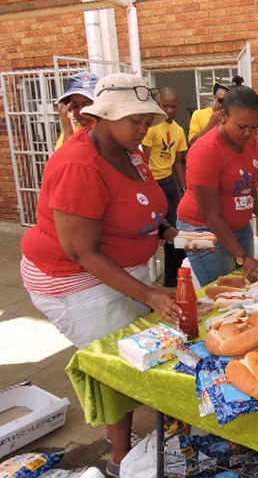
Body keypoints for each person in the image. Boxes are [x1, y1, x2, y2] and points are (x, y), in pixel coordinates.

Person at [20, 73, 185, 477]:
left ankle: (161, 428)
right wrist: (148, 294)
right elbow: (82, 251)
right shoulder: (78, 164)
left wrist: (167, 231)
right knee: (117, 357)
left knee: (144, 348)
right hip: (72, 278)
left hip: (121, 268)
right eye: (135, 121)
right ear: (105, 116)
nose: (144, 128)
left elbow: (142, 206)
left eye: (147, 120)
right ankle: (119, 457)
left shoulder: (132, 152)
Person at [177, 76, 258, 287]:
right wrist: (243, 257)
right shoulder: (206, 151)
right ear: (223, 116)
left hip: (239, 226)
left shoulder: (248, 141)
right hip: (204, 229)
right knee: (227, 289)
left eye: (254, 127)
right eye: (242, 126)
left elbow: (247, 181)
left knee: (248, 286)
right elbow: (212, 216)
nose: (248, 133)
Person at [142, 86, 188, 287]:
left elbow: (178, 162)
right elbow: (143, 160)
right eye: (165, 106)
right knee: (169, 232)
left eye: (173, 106)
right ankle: (173, 278)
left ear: (178, 106)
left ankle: (176, 276)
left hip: (170, 183)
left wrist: (185, 189)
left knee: (179, 228)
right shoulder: (152, 127)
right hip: (153, 184)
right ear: (159, 105)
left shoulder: (178, 130)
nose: (169, 110)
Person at [55, 72, 100, 150]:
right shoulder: (71, 133)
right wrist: (68, 129)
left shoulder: (111, 133)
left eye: (86, 105)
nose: (81, 112)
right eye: (75, 106)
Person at [188, 81, 229, 145]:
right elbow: (192, 142)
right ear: (215, 97)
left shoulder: (231, 117)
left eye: (226, 101)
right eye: (221, 100)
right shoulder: (199, 115)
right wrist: (210, 125)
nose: (222, 104)